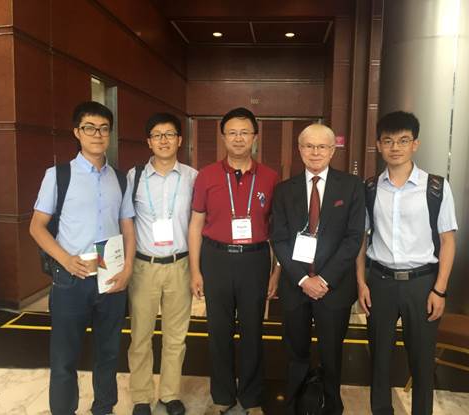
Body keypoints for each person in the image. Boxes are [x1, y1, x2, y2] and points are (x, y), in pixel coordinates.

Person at [29, 101, 135, 415]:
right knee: (64, 358)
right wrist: (65, 259)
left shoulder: (119, 178)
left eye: (104, 129)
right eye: (90, 128)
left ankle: (104, 408)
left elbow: (127, 227)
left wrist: (128, 268)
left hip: (110, 277)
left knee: (109, 353)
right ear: (77, 132)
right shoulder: (58, 175)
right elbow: (37, 226)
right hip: (70, 279)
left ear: (110, 134)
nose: (97, 134)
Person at [356, 111, 457, 415]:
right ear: (378, 145)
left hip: (422, 284)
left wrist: (439, 290)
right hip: (380, 283)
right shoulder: (370, 188)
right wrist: (361, 282)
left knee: (422, 361)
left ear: (415, 144)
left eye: (403, 140)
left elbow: (448, 241)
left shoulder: (436, 187)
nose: (395, 147)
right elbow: (361, 240)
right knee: (379, 361)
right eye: (388, 141)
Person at [188, 107, 280, 415]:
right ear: (223, 137)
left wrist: (276, 272)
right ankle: (222, 396)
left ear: (255, 137)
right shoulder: (206, 175)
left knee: (253, 331)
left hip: (255, 260)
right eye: (232, 133)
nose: (238, 138)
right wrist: (195, 270)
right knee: (219, 331)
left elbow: (278, 230)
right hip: (216, 259)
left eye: (244, 132)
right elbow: (196, 225)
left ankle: (251, 398)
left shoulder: (270, 177)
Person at [271, 123, 365, 414]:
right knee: (296, 353)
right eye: (309, 146)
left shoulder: (351, 186)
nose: (315, 152)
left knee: (331, 355)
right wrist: (303, 280)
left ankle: (332, 407)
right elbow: (279, 239)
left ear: (332, 150)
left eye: (322, 146)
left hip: (333, 289)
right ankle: (295, 406)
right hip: (295, 287)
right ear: (300, 150)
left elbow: (354, 238)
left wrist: (324, 279)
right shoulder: (284, 190)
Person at [127, 113, 197, 415]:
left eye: (169, 134)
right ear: (149, 142)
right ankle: (141, 396)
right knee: (140, 335)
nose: (164, 140)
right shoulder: (134, 177)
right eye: (157, 135)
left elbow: (199, 224)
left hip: (180, 265)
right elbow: (125, 222)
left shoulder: (193, 178)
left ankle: (169, 394)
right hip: (144, 266)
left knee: (176, 336)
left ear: (180, 140)